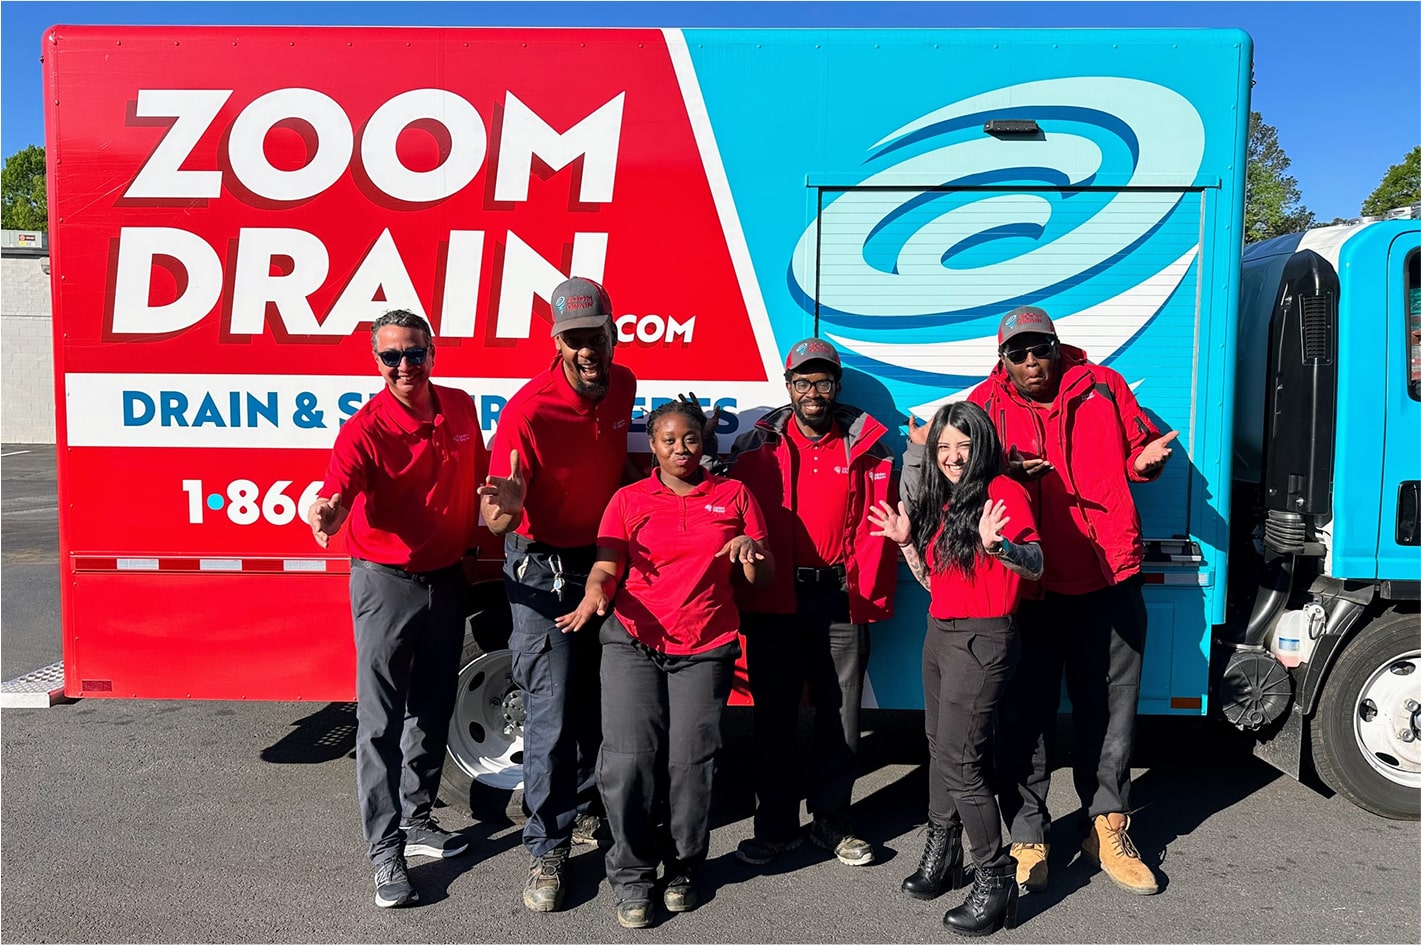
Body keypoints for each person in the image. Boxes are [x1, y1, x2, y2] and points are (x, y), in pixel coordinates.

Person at [909, 304, 1178, 897]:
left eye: (1041, 349)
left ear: (1058, 347)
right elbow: (962, 467)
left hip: (1108, 574)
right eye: (1019, 352)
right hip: (1028, 588)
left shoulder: (1102, 387)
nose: (1032, 361)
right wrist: (996, 463)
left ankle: (1106, 827)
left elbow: (1138, 451)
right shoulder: (987, 404)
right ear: (1002, 358)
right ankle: (1029, 834)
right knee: (1024, 719)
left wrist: (1145, 463)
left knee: (1107, 712)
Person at [557, 400, 773, 929]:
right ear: (652, 446)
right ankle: (631, 875)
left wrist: (750, 552)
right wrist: (594, 591)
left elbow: (763, 580)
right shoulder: (629, 500)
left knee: (690, 764)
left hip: (705, 647)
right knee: (628, 761)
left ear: (706, 442)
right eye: (669, 440)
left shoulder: (734, 496)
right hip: (634, 643)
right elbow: (607, 562)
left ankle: (682, 866)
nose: (681, 449)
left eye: (691, 439)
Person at [307, 309, 487, 909]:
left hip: (445, 578)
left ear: (433, 352)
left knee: (433, 706)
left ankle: (417, 820)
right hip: (386, 582)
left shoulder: (460, 408)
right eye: (392, 356)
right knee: (380, 722)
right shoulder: (365, 429)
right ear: (376, 362)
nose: (405, 365)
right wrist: (328, 515)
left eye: (415, 353)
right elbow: (339, 490)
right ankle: (385, 855)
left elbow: (483, 480)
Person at [478, 275, 637, 914]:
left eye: (595, 335)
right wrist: (505, 510)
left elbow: (611, 464)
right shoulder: (527, 411)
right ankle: (547, 847)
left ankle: (590, 807)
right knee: (552, 709)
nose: (586, 350)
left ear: (613, 333)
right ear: (557, 343)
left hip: (604, 561)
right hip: (544, 572)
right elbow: (496, 516)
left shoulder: (621, 387)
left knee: (604, 701)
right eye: (572, 340)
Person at [717, 337, 898, 868]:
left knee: (839, 715)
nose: (813, 392)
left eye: (822, 381)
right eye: (803, 382)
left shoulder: (868, 444)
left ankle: (832, 822)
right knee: (773, 716)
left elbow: (909, 497)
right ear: (789, 387)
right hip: (775, 596)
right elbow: (719, 503)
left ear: (836, 386)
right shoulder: (754, 445)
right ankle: (774, 827)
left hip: (841, 595)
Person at [872, 401, 1042, 936]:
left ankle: (995, 879)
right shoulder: (948, 501)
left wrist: (1003, 547)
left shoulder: (1004, 493)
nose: (951, 456)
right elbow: (935, 583)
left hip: (983, 638)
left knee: (961, 761)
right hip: (940, 633)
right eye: (943, 447)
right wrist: (905, 545)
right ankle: (942, 854)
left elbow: (1037, 564)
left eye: (962, 447)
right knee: (939, 749)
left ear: (982, 447)